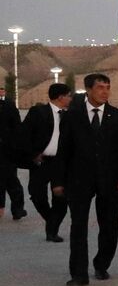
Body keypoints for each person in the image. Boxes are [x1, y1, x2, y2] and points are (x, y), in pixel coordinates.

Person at [52, 73, 118, 286]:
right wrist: (58, 181)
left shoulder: (117, 116)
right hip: (79, 180)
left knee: (109, 225)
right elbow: (64, 151)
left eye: (108, 87)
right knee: (78, 226)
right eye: (100, 87)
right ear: (88, 90)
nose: (105, 91)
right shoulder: (72, 116)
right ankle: (79, 273)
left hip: (110, 181)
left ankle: (101, 264)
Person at [22, 82, 73, 242]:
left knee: (61, 198)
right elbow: (24, 135)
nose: (70, 99)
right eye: (69, 95)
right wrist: (33, 154)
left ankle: (52, 231)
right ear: (61, 97)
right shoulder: (38, 112)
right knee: (37, 195)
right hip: (42, 162)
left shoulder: (71, 115)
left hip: (61, 163)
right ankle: (51, 219)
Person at [0, 88, 27, 220]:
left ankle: (17, 209)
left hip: (7, 151)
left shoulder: (9, 106)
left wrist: (16, 146)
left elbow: (17, 127)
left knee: (11, 181)